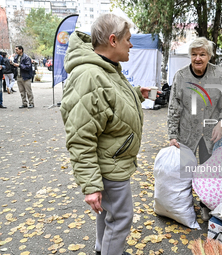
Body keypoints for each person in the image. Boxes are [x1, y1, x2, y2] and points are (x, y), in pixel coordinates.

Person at [60, 13, 152, 255]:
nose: (131, 44)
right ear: (113, 40)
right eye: (128, 39)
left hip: (115, 160)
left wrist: (135, 93)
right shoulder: (90, 75)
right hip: (109, 165)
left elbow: (108, 100)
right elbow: (80, 137)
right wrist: (90, 186)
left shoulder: (107, 69)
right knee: (121, 218)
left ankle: (103, 250)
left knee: (109, 214)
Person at [167, 37, 222, 220]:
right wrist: (172, 134)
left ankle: (205, 204)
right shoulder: (181, 76)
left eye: (202, 54)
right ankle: (183, 205)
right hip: (186, 131)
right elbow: (173, 107)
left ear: (209, 55)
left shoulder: (219, 74)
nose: (198, 59)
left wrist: (221, 123)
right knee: (184, 171)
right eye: (194, 54)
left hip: (210, 132)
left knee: (208, 171)